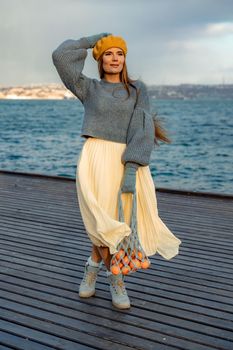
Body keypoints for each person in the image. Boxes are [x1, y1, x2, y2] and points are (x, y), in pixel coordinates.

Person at [52, 32, 182, 310]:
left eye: (119, 53)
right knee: (98, 220)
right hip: (94, 157)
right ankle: (117, 278)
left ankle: (92, 266)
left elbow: (143, 129)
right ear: (100, 60)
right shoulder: (88, 88)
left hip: (125, 159)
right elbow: (60, 57)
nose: (115, 58)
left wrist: (132, 167)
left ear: (125, 59)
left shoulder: (137, 90)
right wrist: (90, 41)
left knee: (115, 220)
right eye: (108, 53)